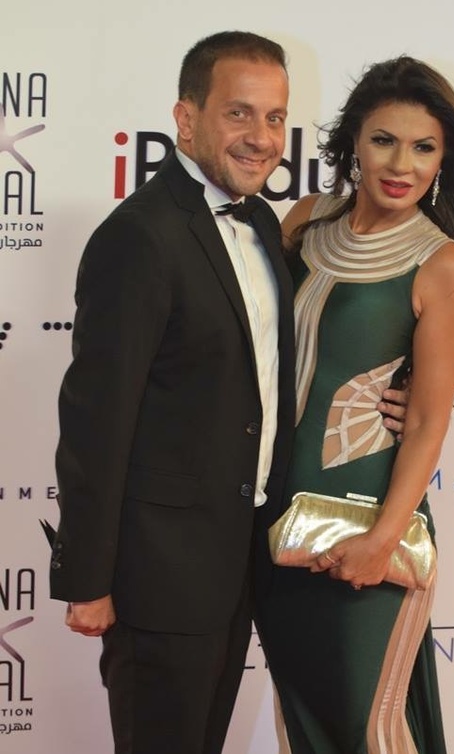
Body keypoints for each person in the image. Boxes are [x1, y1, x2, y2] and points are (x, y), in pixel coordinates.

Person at [49, 31, 297, 754]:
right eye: (238, 113)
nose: (261, 138)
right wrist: (88, 579)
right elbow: (96, 419)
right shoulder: (140, 237)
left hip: (239, 563)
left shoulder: (262, 223)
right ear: (186, 119)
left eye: (276, 117)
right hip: (158, 575)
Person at [254, 56, 454, 754]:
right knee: (304, 722)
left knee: (370, 728)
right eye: (384, 140)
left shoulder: (441, 264)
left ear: (442, 159)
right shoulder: (305, 220)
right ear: (353, 144)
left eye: (423, 147)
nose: (401, 164)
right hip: (273, 521)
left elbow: (424, 421)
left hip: (365, 524)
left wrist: (382, 540)